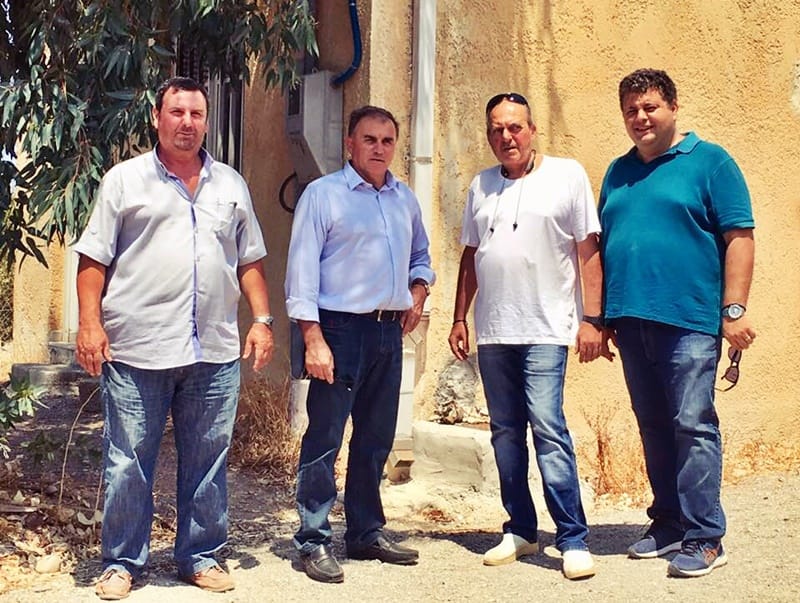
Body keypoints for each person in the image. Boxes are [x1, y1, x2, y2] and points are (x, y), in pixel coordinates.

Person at [75, 76, 275, 599]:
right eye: (177, 112)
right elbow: (93, 259)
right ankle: (121, 562)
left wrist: (262, 320)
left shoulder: (230, 184)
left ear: (206, 122)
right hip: (137, 348)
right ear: (157, 118)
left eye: (196, 114)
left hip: (213, 348)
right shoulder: (124, 181)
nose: (187, 122)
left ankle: (200, 555)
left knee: (208, 459)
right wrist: (89, 324)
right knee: (128, 461)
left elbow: (249, 259)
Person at [599, 68, 756, 578]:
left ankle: (706, 536)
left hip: (689, 320)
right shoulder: (618, 171)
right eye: (631, 110)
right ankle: (667, 523)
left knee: (692, 424)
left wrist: (733, 309)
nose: (640, 118)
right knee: (653, 426)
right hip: (631, 321)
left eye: (650, 107)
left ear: (672, 107)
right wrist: (600, 317)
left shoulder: (711, 162)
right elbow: (604, 245)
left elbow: (739, 238)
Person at [448, 92, 607, 580]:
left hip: (546, 327)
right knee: (504, 433)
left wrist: (592, 319)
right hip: (495, 330)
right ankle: (520, 528)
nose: (506, 136)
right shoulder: (481, 185)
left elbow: (588, 251)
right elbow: (471, 255)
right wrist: (459, 318)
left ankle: (572, 538)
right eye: (497, 129)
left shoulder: (567, 175)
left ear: (532, 130)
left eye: (515, 127)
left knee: (547, 427)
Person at [285, 105, 435, 584]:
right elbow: (301, 272)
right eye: (369, 139)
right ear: (349, 144)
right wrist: (313, 338)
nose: (379, 148)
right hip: (339, 331)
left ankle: (366, 532)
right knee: (325, 437)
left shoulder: (403, 198)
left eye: (387, 141)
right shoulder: (323, 196)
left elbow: (421, 256)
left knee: (375, 437)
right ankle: (313, 539)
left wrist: (418, 290)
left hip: (388, 332)